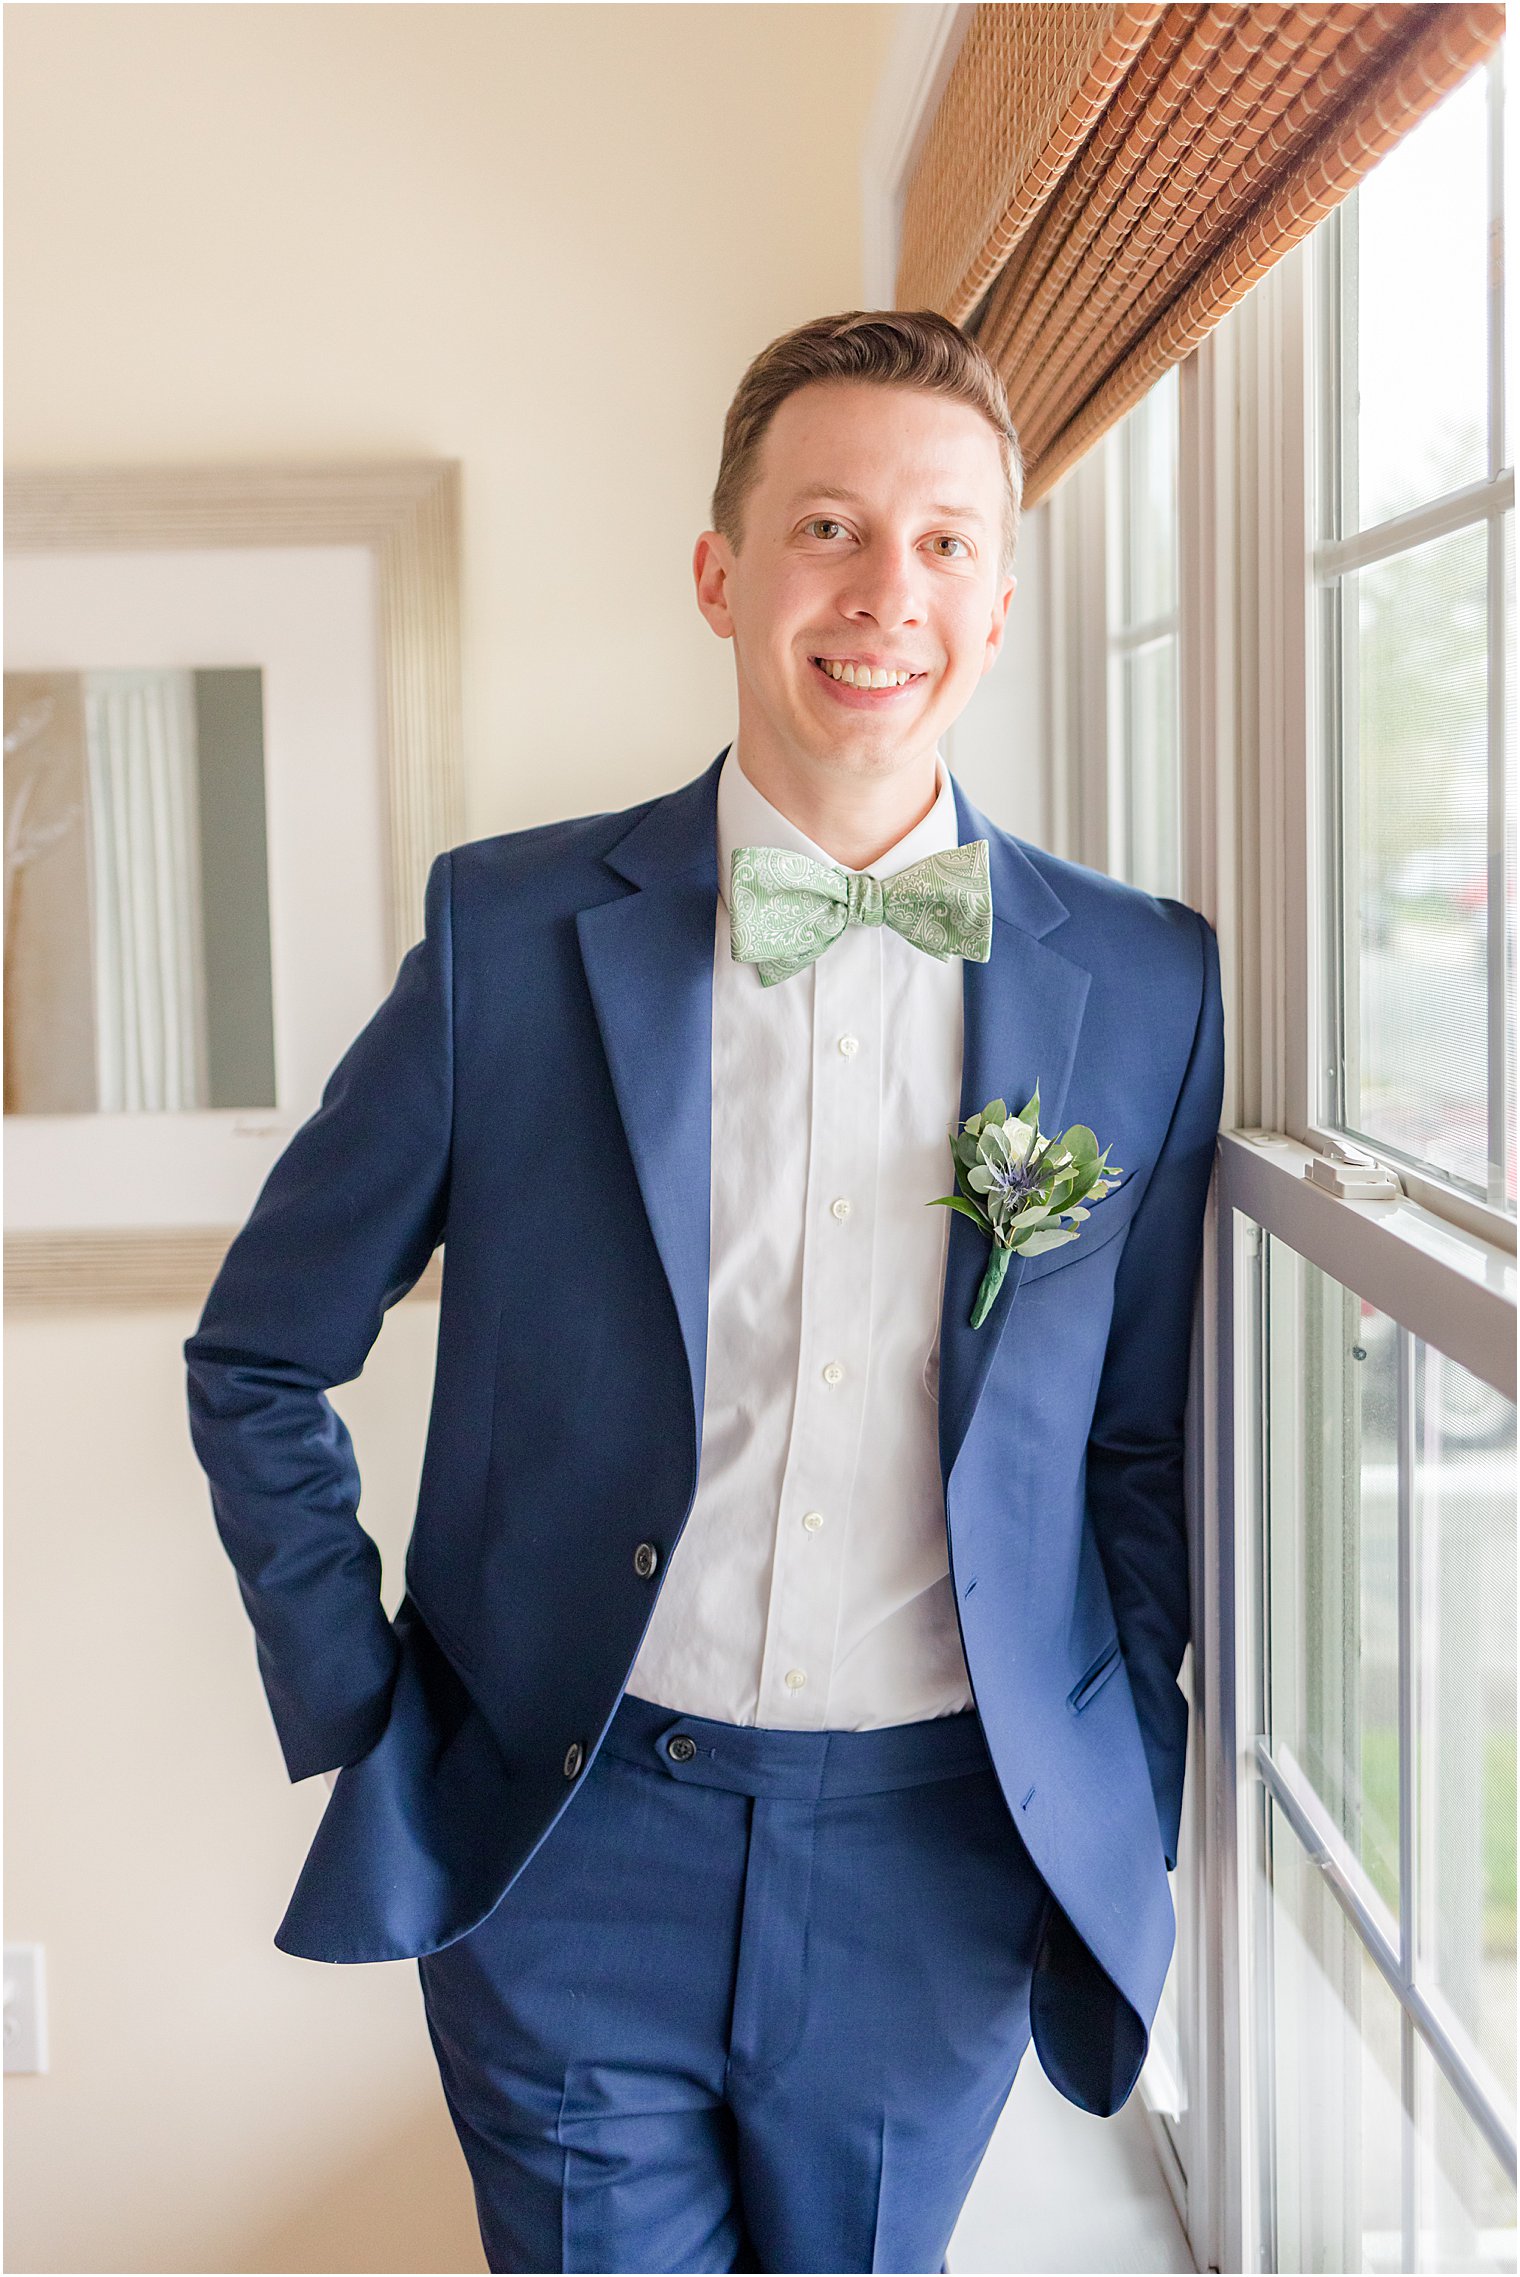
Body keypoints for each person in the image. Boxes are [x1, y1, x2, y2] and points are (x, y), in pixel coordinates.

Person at [185, 308, 1225, 2276]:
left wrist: (1117, 1775)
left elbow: (1137, 1446)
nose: (880, 591)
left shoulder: (1148, 984)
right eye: (826, 526)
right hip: (570, 1843)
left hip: (943, 1861)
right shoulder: (507, 934)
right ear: (720, 569)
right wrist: (362, 1705)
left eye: (938, 542)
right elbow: (260, 1351)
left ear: (999, 598)